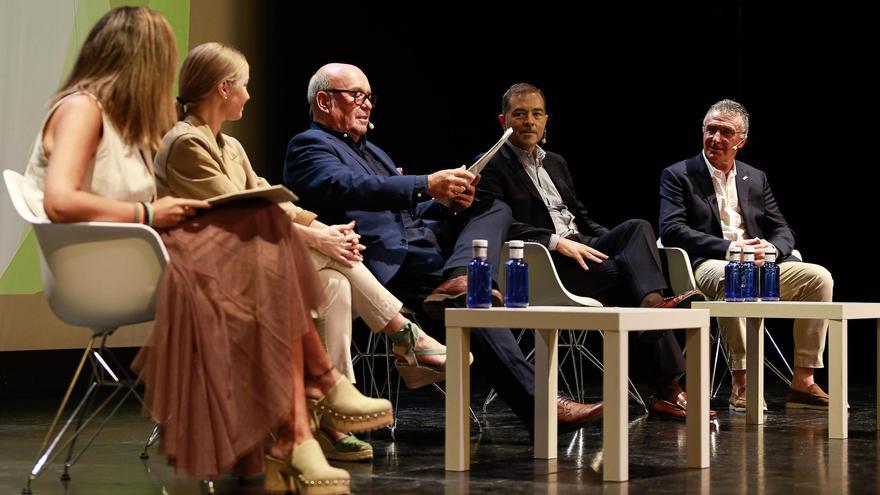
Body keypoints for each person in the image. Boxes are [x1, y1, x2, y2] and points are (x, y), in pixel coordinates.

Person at [21, 8, 389, 493]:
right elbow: (60, 200)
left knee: (262, 234)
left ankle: (298, 430)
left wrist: (164, 215)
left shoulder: (119, 124)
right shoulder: (80, 110)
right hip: (104, 268)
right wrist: (152, 216)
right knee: (260, 232)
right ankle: (314, 399)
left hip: (135, 252)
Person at [155, 42, 448, 462]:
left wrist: (322, 229)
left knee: (333, 282)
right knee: (328, 260)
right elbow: (240, 212)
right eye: (243, 85)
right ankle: (404, 334)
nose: (249, 95)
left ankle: (331, 418)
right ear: (222, 89)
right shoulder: (186, 143)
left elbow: (273, 200)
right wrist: (319, 240)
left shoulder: (229, 146)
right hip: (208, 270)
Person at [284, 63, 603, 434]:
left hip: (428, 247)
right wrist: (424, 184)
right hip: (385, 260)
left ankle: (460, 277)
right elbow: (345, 187)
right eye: (357, 95)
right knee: (476, 300)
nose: (367, 104)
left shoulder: (375, 152)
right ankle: (543, 404)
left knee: (490, 205)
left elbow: (411, 208)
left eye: (370, 97)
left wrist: (448, 201)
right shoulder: (309, 146)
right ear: (323, 100)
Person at [476, 83, 710, 420]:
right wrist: (556, 241)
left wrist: (620, 245)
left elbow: (581, 217)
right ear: (503, 121)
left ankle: (653, 309)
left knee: (637, 228)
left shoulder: (555, 162)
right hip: (543, 265)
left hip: (582, 251)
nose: (529, 121)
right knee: (628, 276)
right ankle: (668, 385)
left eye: (536, 113)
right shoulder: (492, 165)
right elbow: (496, 223)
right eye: (520, 114)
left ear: (546, 120)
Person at [659, 98, 833, 411]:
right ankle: (743, 383)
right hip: (708, 265)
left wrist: (773, 248)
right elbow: (671, 230)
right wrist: (729, 248)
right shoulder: (678, 174)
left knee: (819, 279)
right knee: (736, 276)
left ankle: (803, 382)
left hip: (757, 262)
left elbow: (783, 230)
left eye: (725, 132)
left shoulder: (755, 178)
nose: (715, 139)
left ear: (741, 141)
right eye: (711, 130)